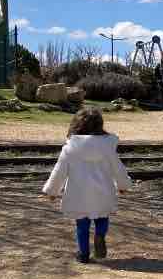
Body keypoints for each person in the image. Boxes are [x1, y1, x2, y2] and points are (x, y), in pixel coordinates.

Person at [42, 107, 132, 264]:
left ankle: (83, 254)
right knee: (102, 217)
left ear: (76, 125)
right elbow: (118, 168)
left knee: (82, 224)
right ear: (100, 125)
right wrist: (123, 185)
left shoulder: (70, 149)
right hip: (103, 192)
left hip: (79, 193)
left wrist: (52, 191)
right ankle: (100, 236)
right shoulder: (107, 148)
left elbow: (59, 171)